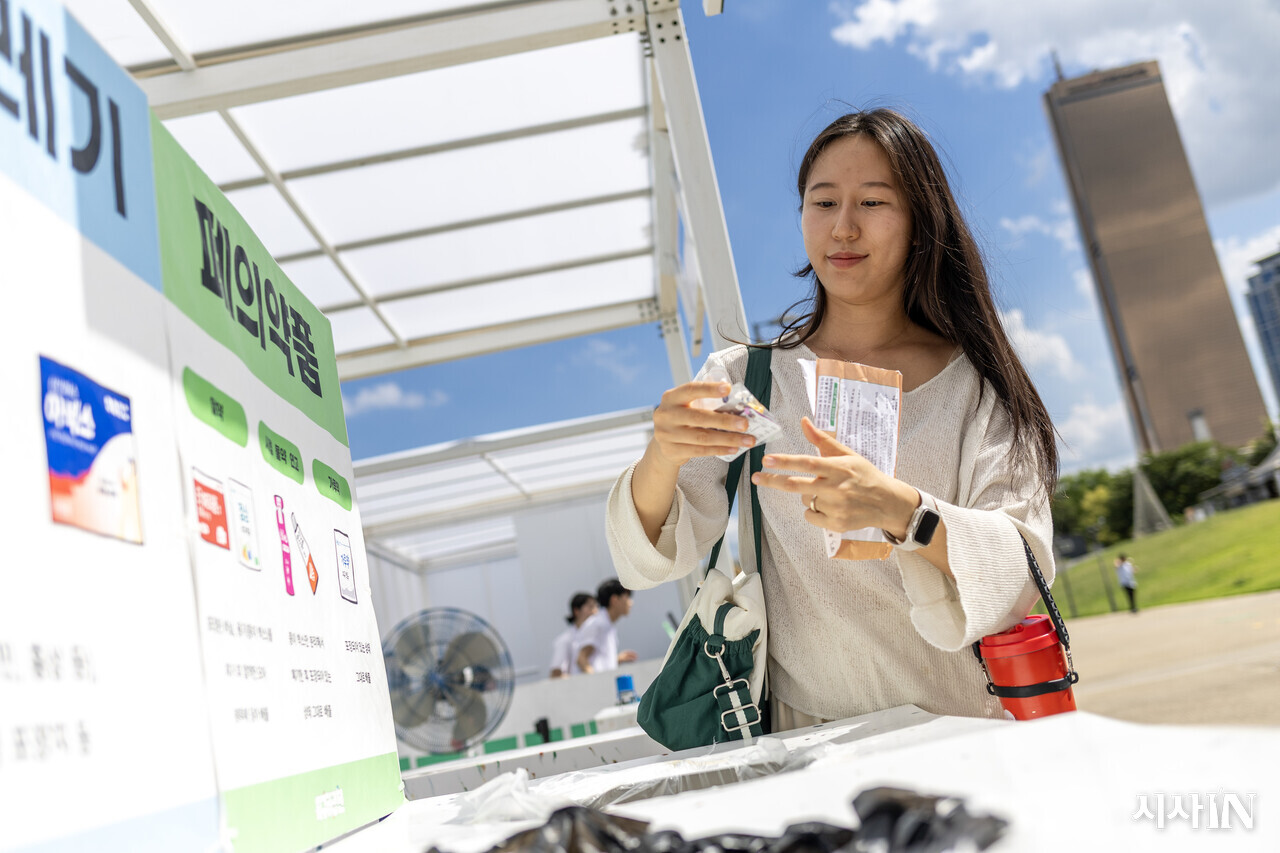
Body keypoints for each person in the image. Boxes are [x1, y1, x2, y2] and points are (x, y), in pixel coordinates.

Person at [605, 108, 1060, 728]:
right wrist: (661, 455)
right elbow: (647, 560)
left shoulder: (977, 384)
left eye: (872, 202)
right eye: (823, 203)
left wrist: (904, 512)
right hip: (807, 746)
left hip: (965, 734)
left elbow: (1021, 567)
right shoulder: (749, 381)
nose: (843, 226)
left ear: (921, 221)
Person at [574, 578, 639, 674]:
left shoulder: (606, 624)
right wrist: (597, 680)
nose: (631, 603)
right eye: (627, 597)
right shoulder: (597, 624)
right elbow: (581, 659)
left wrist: (617, 659)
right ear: (614, 600)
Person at [549, 592, 597, 678]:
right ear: (576, 611)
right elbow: (555, 674)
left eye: (596, 607)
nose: (595, 611)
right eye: (590, 607)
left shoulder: (596, 635)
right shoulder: (565, 640)